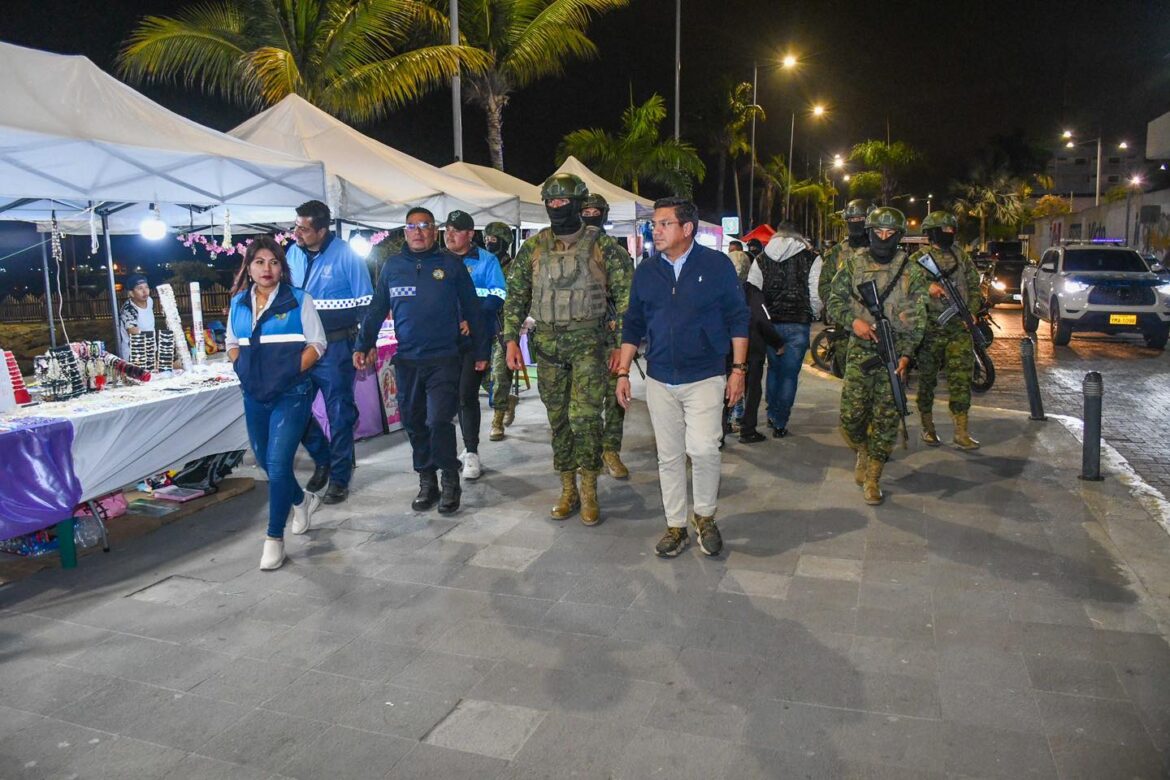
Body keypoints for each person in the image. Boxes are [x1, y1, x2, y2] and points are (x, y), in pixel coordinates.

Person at [616, 196, 749, 557]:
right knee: (669, 455)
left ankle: (704, 516)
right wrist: (624, 371)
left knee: (704, 448)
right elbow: (633, 323)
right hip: (659, 377)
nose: (654, 231)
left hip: (705, 375)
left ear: (687, 229)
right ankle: (676, 525)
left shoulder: (717, 265)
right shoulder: (646, 271)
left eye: (663, 224)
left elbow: (739, 318)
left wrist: (738, 370)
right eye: (653, 225)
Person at [501, 173, 632, 526]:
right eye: (551, 202)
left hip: (590, 347)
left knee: (585, 420)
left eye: (564, 202)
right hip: (546, 349)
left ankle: (589, 489)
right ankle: (567, 488)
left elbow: (627, 301)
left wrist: (622, 346)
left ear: (579, 204)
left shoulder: (604, 247)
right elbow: (516, 296)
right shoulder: (533, 246)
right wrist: (511, 337)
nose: (557, 208)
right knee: (558, 422)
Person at [354, 207, 484, 515]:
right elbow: (376, 309)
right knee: (413, 422)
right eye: (412, 226)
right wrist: (364, 343)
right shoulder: (392, 266)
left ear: (434, 229)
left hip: (445, 358)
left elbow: (473, 309)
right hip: (408, 360)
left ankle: (450, 478)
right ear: (405, 231)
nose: (418, 231)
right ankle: (427, 481)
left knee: (438, 420)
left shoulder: (450, 265)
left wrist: (480, 352)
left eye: (424, 225)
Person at [226, 237, 327, 570]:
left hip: (292, 394)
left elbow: (317, 344)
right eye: (259, 262)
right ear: (249, 267)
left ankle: (274, 538)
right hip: (254, 395)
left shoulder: (299, 300)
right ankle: (301, 499)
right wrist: (241, 366)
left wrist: (287, 372)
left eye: (273, 262)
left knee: (279, 464)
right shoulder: (239, 303)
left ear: (282, 267)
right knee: (269, 465)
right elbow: (231, 343)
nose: (266, 269)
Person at [827, 207, 927, 505]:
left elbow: (919, 319)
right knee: (851, 417)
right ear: (870, 233)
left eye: (890, 233)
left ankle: (873, 476)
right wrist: (853, 322)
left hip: (894, 353)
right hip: (860, 351)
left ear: (898, 236)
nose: (883, 238)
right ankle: (864, 449)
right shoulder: (853, 265)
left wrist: (907, 356)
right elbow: (833, 300)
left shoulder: (912, 271)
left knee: (886, 417)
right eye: (878, 233)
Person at [286, 200, 374, 505]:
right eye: (296, 225)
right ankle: (323, 458)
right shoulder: (292, 253)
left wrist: (365, 344)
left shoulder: (347, 256)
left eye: (304, 228)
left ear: (322, 230)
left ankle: (339, 478)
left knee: (339, 414)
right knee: (293, 410)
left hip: (336, 349)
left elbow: (366, 305)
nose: (297, 232)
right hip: (300, 349)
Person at [912, 211, 982, 449]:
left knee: (961, 378)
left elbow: (974, 287)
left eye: (951, 230)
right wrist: (927, 287)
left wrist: (971, 311)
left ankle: (961, 431)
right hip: (929, 328)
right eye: (944, 230)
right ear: (932, 232)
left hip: (958, 328)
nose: (948, 234)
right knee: (927, 380)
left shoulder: (961, 257)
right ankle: (927, 426)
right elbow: (905, 288)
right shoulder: (919, 259)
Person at [443, 210, 505, 479]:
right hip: (443, 340)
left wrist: (474, 317)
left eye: (456, 230)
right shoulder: (437, 260)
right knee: (450, 396)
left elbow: (498, 294)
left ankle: (471, 452)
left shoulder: (486, 260)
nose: (449, 235)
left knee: (467, 394)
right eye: (447, 229)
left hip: (474, 340)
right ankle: (455, 449)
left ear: (470, 234)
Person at [747, 224, 822, 438]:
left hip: (770, 325)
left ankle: (771, 414)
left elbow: (754, 292)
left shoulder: (762, 258)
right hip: (798, 322)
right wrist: (812, 313)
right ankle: (780, 421)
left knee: (773, 370)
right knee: (789, 375)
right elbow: (815, 292)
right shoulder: (811, 258)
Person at [581, 193, 635, 479]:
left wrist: (621, 345)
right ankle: (587, 456)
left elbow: (626, 300)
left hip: (609, 335)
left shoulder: (614, 251)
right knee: (582, 404)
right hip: (576, 341)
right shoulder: (566, 248)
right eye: (585, 210)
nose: (590, 214)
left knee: (616, 398)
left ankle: (611, 449)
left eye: (595, 210)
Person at [484, 222, 520, 442]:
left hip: (505, 328)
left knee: (500, 374)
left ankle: (497, 421)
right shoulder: (483, 264)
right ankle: (507, 401)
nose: (489, 243)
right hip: (482, 326)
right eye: (486, 239)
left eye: (494, 240)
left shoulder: (514, 267)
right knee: (481, 375)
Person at [735, 280, 783, 443]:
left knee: (727, 391)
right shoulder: (753, 293)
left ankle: (720, 431)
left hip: (728, 348)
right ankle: (747, 430)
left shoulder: (722, 287)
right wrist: (778, 342)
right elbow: (763, 320)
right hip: (752, 348)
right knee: (752, 390)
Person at [818, 199, 871, 311]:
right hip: (846, 321)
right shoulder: (836, 252)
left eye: (860, 219)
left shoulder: (880, 250)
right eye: (851, 219)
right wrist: (840, 311)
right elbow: (824, 285)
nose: (855, 222)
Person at [118, 274, 155, 359]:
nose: (145, 291)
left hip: (150, 350)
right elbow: (133, 333)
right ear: (131, 293)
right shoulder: (128, 310)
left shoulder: (149, 301)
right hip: (134, 355)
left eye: (146, 287)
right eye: (140, 288)